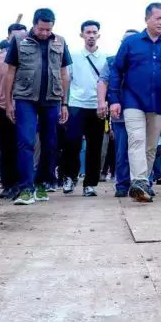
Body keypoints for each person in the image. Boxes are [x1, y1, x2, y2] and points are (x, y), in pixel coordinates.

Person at [109, 3, 161, 203]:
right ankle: (140, 181)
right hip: (132, 100)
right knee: (136, 139)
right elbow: (116, 71)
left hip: (158, 103)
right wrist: (114, 100)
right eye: (158, 18)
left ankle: (142, 185)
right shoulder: (131, 43)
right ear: (147, 19)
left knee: (151, 147)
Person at [3, 8, 72, 205]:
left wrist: (64, 103)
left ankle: (42, 183)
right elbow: (10, 72)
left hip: (51, 99)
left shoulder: (60, 42)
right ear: (34, 25)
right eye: (41, 29)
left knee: (50, 143)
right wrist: (8, 102)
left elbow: (64, 73)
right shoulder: (19, 41)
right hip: (25, 98)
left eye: (48, 29)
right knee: (25, 141)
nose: (44, 33)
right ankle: (26, 188)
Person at [63, 20, 105, 196]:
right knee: (72, 142)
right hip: (76, 105)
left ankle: (90, 184)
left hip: (97, 107)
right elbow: (66, 80)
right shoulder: (73, 56)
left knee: (95, 146)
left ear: (99, 35)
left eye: (94, 32)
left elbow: (108, 82)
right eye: (88, 32)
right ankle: (70, 177)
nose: (91, 36)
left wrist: (105, 102)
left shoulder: (105, 58)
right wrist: (64, 104)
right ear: (82, 35)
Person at [98, 28, 140, 197]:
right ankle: (122, 185)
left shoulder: (146, 61)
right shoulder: (111, 62)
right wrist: (102, 102)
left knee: (142, 151)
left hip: (143, 113)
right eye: (125, 41)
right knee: (122, 152)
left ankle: (142, 183)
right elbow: (103, 81)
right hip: (120, 114)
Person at [0, 23, 28, 199]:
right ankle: (8, 185)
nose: (18, 40)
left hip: (27, 107)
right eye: (15, 37)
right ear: (8, 38)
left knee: (25, 146)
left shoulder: (32, 58)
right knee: (6, 148)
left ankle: (25, 184)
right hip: (2, 107)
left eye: (22, 37)